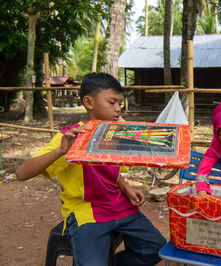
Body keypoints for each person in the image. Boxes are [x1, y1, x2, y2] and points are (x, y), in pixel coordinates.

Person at [16, 73, 166, 266]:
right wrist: (62, 151)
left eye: (119, 103)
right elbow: (21, 174)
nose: (118, 109)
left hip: (119, 205)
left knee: (156, 250)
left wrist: (125, 186)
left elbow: (107, 169)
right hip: (86, 211)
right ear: (89, 102)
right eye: (112, 102)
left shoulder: (116, 134)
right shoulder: (70, 137)